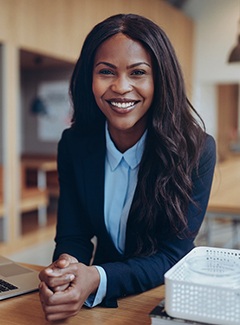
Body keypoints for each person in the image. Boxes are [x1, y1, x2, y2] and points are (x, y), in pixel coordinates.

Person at [39, 13, 216, 321]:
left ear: (160, 80)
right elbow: (73, 234)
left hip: (160, 297)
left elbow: (173, 254)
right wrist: (65, 271)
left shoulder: (196, 150)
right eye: (106, 72)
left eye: (138, 73)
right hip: (99, 301)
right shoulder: (74, 144)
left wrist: (96, 277)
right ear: (89, 79)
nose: (121, 87)